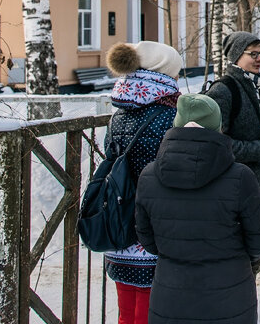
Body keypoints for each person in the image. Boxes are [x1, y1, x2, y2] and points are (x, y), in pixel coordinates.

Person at [133, 94, 260, 324]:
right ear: (218, 128)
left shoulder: (149, 176)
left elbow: (147, 238)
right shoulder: (240, 177)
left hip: (170, 296)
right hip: (230, 296)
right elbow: (259, 238)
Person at [102, 40, 184, 324]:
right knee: (153, 312)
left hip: (119, 226)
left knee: (126, 311)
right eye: (176, 74)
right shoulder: (170, 116)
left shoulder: (118, 115)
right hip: (156, 230)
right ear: (165, 76)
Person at [205, 31, 260, 231]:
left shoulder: (254, 84)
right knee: (245, 254)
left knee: (257, 247)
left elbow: (254, 131)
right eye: (253, 54)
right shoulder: (223, 91)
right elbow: (215, 145)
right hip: (233, 192)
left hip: (253, 187)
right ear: (236, 56)